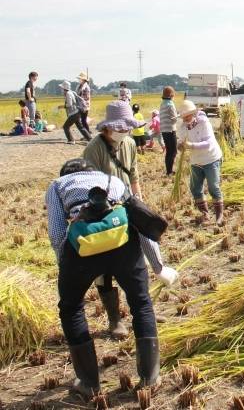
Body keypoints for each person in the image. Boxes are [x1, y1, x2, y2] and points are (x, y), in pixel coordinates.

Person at [46, 159, 168, 397]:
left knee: (71, 309)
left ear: (65, 174)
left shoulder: (58, 185)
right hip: (122, 244)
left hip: (82, 248)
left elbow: (57, 231)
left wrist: (67, 264)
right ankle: (150, 377)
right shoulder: (113, 180)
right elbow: (141, 224)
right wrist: (157, 264)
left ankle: (89, 382)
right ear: (92, 171)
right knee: (141, 302)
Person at [84, 101, 171, 338]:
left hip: (128, 207)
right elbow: (89, 184)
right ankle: (114, 320)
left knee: (135, 264)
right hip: (103, 212)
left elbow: (133, 175)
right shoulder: (94, 148)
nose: (125, 132)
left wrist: (139, 203)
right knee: (105, 268)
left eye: (127, 128)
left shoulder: (130, 143)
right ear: (108, 128)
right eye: (120, 128)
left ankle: (145, 313)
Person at [177, 101, 224, 225]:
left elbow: (208, 143)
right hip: (196, 161)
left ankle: (220, 215)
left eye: (189, 115)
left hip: (211, 158)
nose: (187, 118)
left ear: (194, 113)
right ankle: (205, 214)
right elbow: (181, 142)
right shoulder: (182, 128)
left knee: (213, 187)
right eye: (184, 116)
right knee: (195, 188)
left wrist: (191, 145)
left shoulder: (203, 122)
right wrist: (180, 146)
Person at [159, 86, 178, 175]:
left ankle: (169, 171)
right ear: (171, 94)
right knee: (173, 151)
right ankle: (169, 171)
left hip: (164, 130)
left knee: (169, 151)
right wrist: (179, 115)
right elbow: (174, 119)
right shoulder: (170, 104)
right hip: (170, 130)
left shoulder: (162, 103)